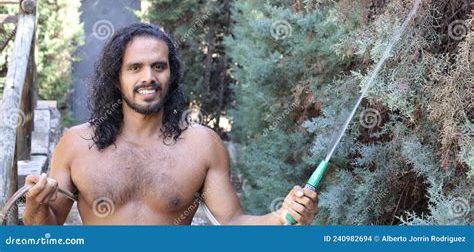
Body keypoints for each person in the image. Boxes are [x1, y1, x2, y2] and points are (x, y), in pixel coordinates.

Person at [23, 23, 318, 225]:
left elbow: (231, 222)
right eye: (135, 67)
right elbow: (46, 232)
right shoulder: (76, 143)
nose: (148, 77)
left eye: (159, 66)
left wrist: (281, 216)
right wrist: (36, 206)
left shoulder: (202, 145)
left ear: (171, 75)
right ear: (117, 78)